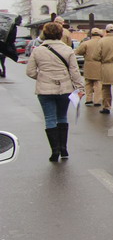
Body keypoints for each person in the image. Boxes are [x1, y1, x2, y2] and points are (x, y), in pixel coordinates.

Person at [26, 21, 84, 161]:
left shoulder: (38, 50)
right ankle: (64, 149)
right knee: (62, 117)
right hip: (64, 89)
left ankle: (54, 151)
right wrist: (80, 88)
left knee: (49, 118)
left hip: (44, 90)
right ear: (60, 34)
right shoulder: (68, 50)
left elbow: (30, 72)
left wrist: (42, 78)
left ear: (44, 34)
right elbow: (75, 72)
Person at [75, 28, 103, 107]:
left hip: (88, 64)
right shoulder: (102, 42)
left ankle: (88, 99)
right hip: (99, 64)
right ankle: (97, 100)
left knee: (88, 83)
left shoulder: (86, 43)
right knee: (98, 83)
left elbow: (78, 51)